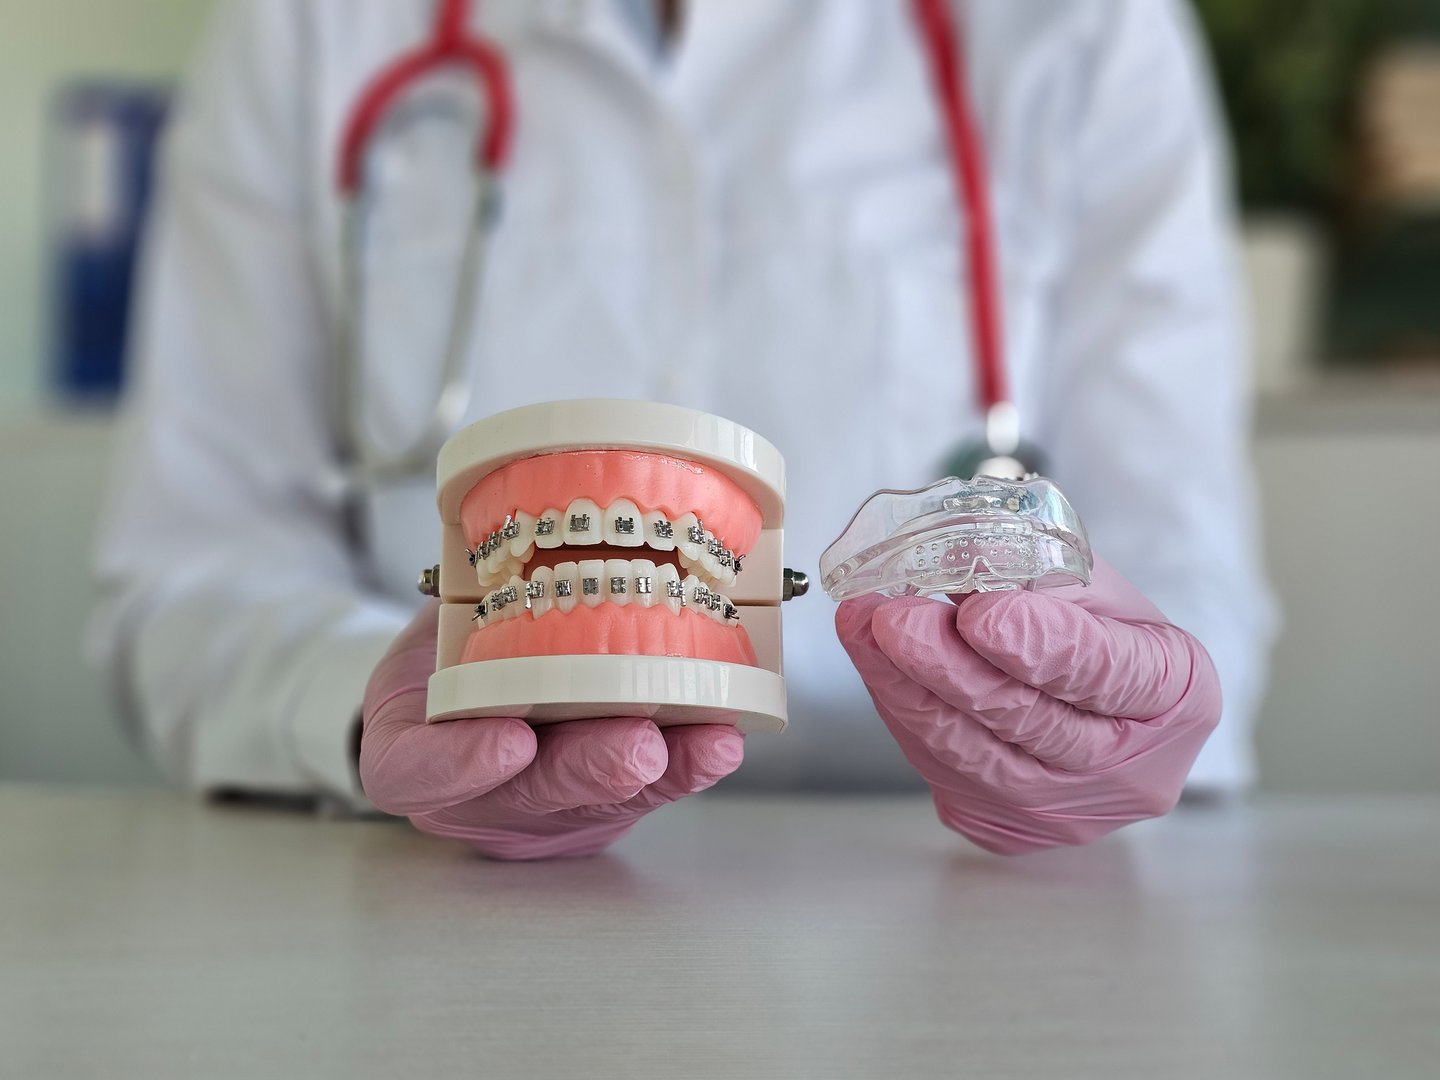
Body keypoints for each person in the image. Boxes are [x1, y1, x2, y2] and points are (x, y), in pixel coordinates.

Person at [90, 0, 1275, 859]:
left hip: (938, 911)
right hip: (446, 913)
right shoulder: (312, 30)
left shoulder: (1085, 29)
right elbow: (192, 576)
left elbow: (1188, 586)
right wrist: (369, 703)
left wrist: (1116, 723)